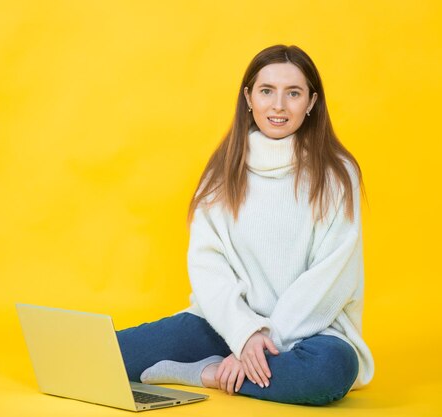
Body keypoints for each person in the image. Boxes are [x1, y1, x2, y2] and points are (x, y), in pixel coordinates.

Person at [116, 44, 374, 406]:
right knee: (112, 354)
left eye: (294, 93)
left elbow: (329, 280)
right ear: (249, 97)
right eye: (267, 91)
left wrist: (261, 342)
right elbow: (209, 267)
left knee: (328, 371)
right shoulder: (222, 171)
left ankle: (205, 374)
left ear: (312, 102)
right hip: (227, 324)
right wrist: (244, 334)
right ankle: (228, 368)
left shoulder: (337, 173)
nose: (278, 106)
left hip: (310, 334)